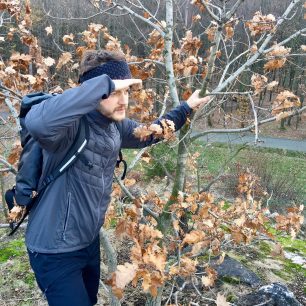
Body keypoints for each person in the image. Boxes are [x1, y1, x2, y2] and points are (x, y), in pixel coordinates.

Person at [24, 50, 210, 306]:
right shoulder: (67, 128)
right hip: (53, 249)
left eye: (126, 91)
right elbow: (36, 123)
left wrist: (185, 108)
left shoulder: (114, 125)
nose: (124, 100)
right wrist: (103, 85)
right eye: (114, 92)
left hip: (86, 243)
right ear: (92, 92)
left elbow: (152, 132)